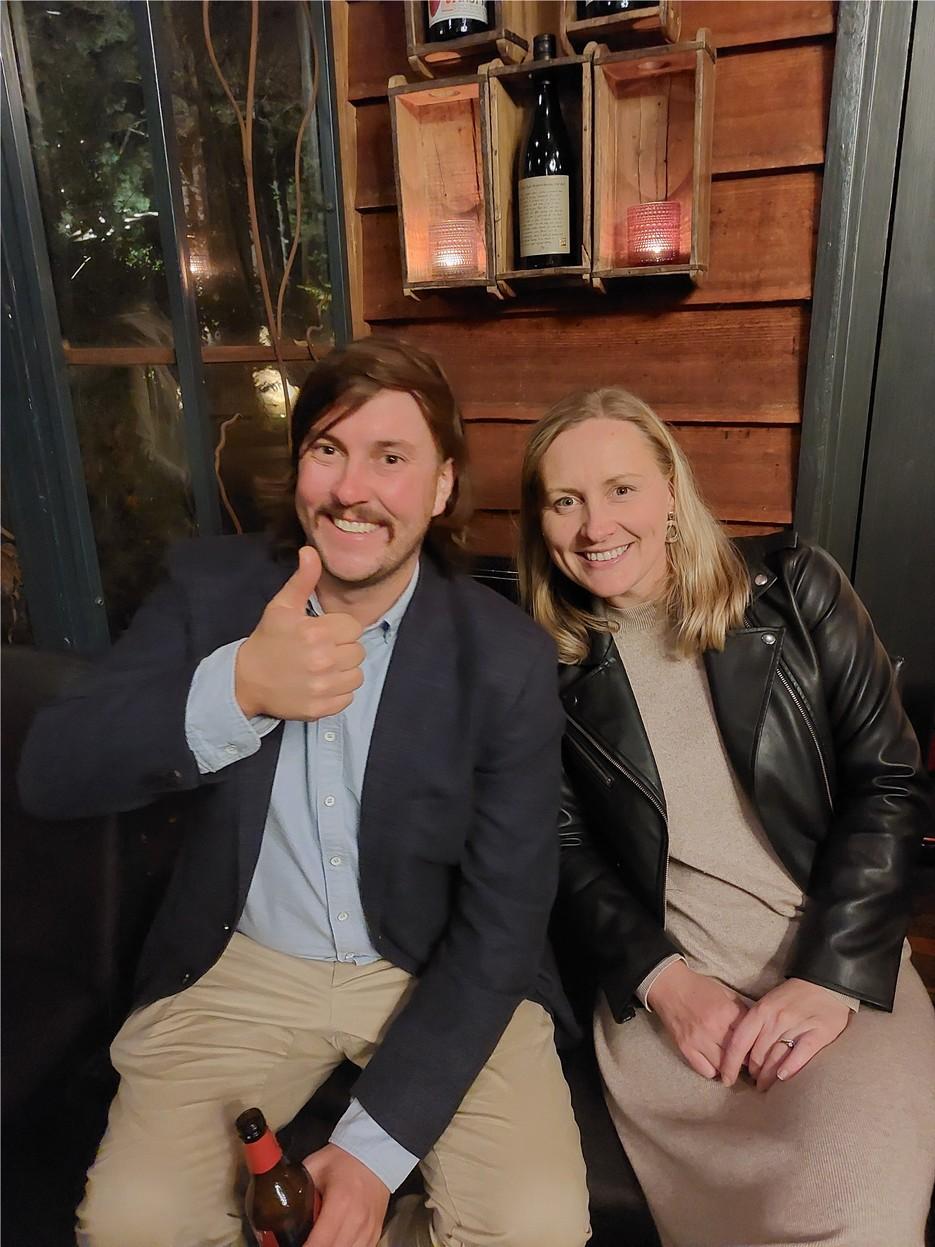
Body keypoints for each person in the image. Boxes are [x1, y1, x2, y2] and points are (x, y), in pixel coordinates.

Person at [19, 338, 591, 1247]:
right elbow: (52, 768)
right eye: (328, 448)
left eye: (390, 457)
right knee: (131, 1225)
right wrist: (236, 689)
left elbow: (505, 918)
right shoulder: (210, 591)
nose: (351, 489)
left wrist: (370, 1152)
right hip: (242, 964)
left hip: (437, 964)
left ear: (441, 484)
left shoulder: (504, 657)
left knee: (535, 1228)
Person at [517, 386, 935, 1247]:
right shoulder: (539, 662)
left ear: (671, 489)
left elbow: (888, 783)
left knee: (856, 1210)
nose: (595, 526)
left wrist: (829, 976)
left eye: (621, 488)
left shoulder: (797, 590)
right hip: (673, 992)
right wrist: (661, 981)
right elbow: (559, 845)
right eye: (565, 501)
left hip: (834, 956)